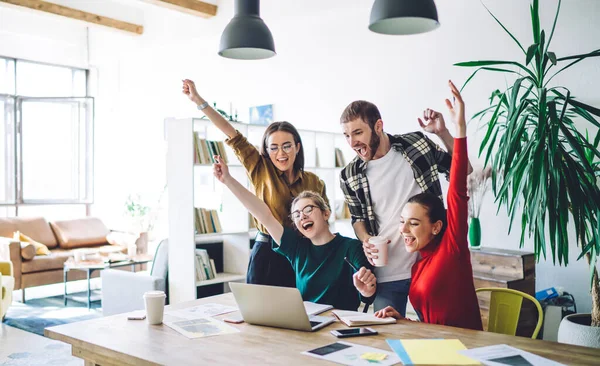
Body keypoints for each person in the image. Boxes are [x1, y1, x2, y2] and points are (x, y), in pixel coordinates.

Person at [183, 79, 329, 288]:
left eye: (287, 146)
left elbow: (323, 222)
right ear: (267, 151)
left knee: (300, 316)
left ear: (297, 147)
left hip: (302, 254)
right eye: (274, 147)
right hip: (267, 254)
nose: (281, 153)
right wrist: (198, 100)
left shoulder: (313, 182)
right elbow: (230, 131)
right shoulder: (259, 168)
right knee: (260, 317)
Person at [339, 88, 473, 315]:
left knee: (437, 336)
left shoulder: (416, 144)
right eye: (346, 135)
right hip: (388, 272)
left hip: (431, 265)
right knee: (388, 338)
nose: (352, 142)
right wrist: (366, 239)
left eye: (358, 133)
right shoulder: (349, 174)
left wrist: (443, 133)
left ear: (378, 126)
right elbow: (357, 218)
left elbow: (463, 170)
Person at [374, 81, 482, 331]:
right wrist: (403, 321)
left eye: (413, 223)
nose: (404, 230)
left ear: (436, 227)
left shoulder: (452, 248)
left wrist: (459, 129)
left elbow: (456, 190)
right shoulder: (419, 262)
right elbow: (432, 324)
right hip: (435, 346)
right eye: (402, 222)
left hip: (463, 349)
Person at [213, 155, 377, 311]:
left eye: (308, 209)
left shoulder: (351, 247)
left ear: (326, 213)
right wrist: (228, 180)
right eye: (297, 215)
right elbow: (264, 215)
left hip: (340, 324)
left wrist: (366, 290)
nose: (302, 216)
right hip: (308, 325)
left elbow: (367, 293)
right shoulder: (297, 248)